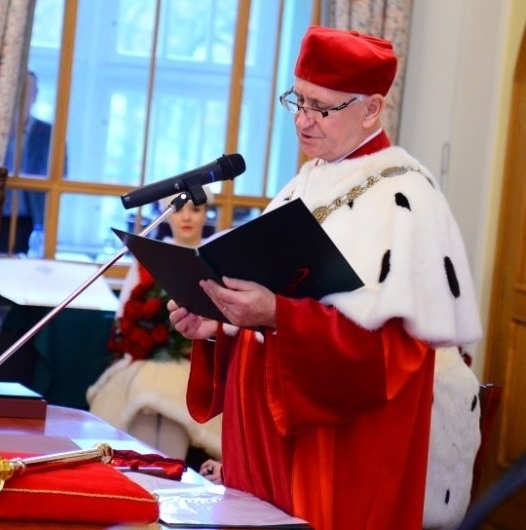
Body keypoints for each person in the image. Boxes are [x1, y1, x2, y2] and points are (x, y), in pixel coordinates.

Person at [169, 26, 482, 530]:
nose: (301, 119)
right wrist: (221, 325)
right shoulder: (305, 183)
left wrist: (278, 315)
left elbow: (396, 355)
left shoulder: (405, 196)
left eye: (321, 107)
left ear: (372, 109)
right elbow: (270, 311)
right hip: (268, 441)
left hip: (338, 450)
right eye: (297, 100)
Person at [87, 187, 222, 461]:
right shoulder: (148, 258)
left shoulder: (214, 259)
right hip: (146, 358)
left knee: (177, 394)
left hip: (195, 362)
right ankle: (143, 476)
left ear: (206, 213)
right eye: (179, 209)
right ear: (165, 214)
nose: (187, 217)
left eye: (195, 210)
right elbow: (124, 317)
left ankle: (170, 474)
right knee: (144, 389)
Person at [0, 70, 54, 255]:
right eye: (20, 91)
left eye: (29, 91)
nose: (24, 97)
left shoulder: (48, 133)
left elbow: (59, 172)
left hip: (29, 218)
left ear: (36, 96)